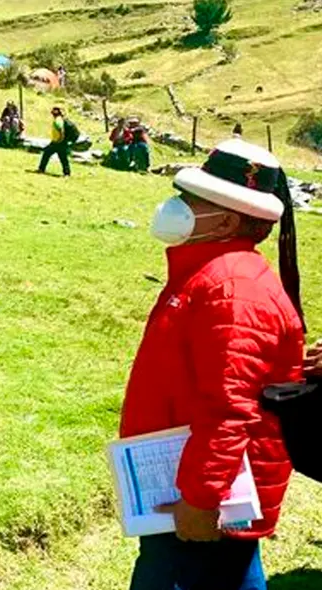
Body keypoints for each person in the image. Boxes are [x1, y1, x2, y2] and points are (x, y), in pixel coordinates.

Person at [121, 138, 304, 590]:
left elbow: (228, 408)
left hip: (203, 497)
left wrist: (202, 500)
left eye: (190, 200)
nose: (176, 206)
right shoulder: (212, 273)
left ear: (224, 220)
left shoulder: (233, 290)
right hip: (185, 480)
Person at [37, 106, 71, 177]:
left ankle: (41, 169)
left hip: (58, 142)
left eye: (54, 110)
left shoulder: (58, 120)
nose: (52, 112)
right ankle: (66, 173)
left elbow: (61, 130)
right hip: (57, 142)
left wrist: (60, 139)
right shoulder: (59, 119)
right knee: (62, 157)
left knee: (49, 154)